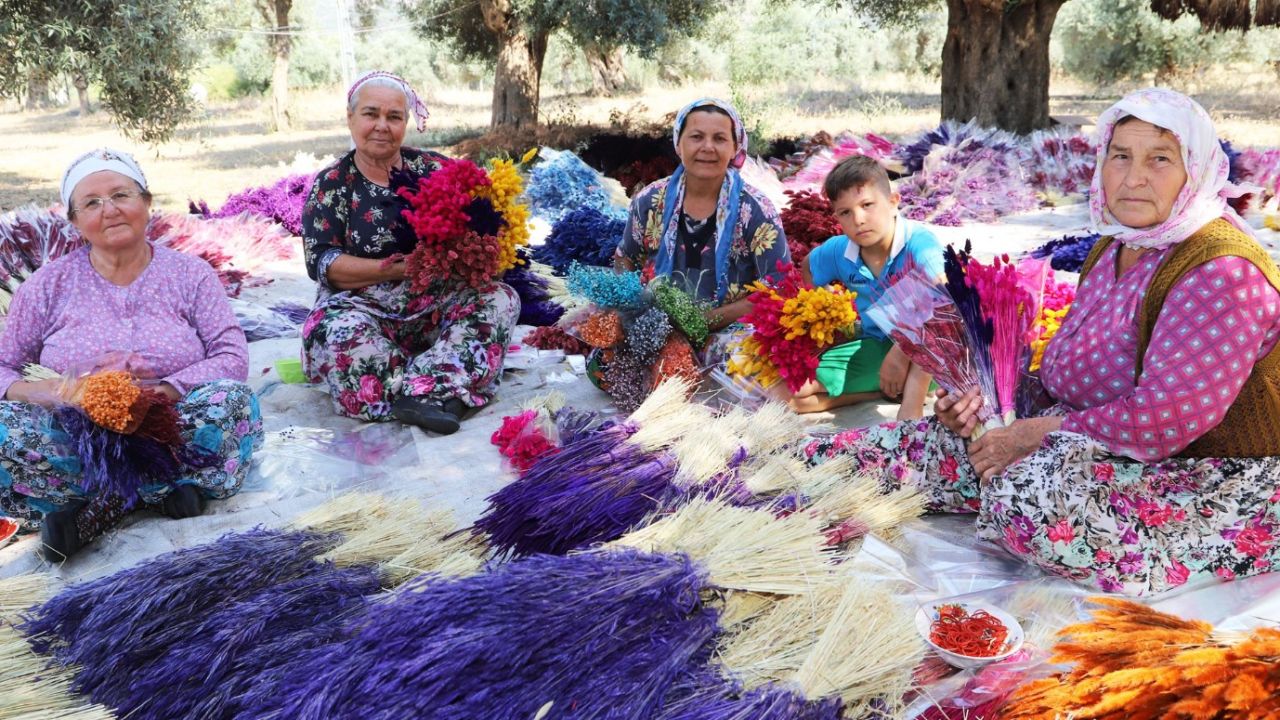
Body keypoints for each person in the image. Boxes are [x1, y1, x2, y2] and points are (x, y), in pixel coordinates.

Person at [807, 88, 1280, 596]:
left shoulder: (1220, 271)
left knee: (1024, 498)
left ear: (1197, 168)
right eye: (1120, 156)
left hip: (1214, 477)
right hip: (1088, 443)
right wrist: (987, 404)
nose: (1134, 177)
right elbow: (1065, 379)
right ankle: (776, 476)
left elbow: (1166, 419)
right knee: (886, 452)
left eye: (1160, 159)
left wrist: (1034, 436)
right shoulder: (1116, 245)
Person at [0, 148, 263, 561]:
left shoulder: (189, 274)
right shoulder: (46, 286)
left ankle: (103, 503)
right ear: (74, 222)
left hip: (172, 421)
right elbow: (3, 365)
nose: (110, 210)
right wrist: (59, 390)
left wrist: (164, 388)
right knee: (5, 428)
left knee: (232, 402)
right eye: (91, 202)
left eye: (122, 195)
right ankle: (160, 491)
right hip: (75, 428)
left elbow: (230, 354)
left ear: (147, 203)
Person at [301, 71, 520, 434]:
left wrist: (477, 253)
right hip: (364, 305)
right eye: (371, 114)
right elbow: (323, 263)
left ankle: (415, 389)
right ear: (351, 119)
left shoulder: (434, 169)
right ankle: (441, 389)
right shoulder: (332, 184)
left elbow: (482, 221)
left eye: (394, 117)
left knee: (501, 298)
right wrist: (395, 269)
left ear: (406, 122)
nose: (381, 126)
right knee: (335, 330)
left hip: (436, 302)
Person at [614, 98, 790, 332]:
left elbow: (779, 287)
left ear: (734, 148)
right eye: (696, 137)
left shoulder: (755, 211)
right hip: (657, 331)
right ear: (679, 144)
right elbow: (625, 257)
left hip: (732, 340)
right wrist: (635, 307)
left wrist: (706, 321)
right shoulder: (650, 200)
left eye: (719, 138)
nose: (707, 147)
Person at [788, 155, 941, 418]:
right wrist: (825, 312)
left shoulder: (919, 244)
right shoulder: (839, 251)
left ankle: (911, 406)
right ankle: (880, 393)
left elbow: (943, 302)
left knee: (936, 318)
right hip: (875, 344)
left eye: (867, 205)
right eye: (845, 212)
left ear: (893, 203)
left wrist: (902, 351)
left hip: (927, 353)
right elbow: (808, 268)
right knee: (792, 394)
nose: (858, 219)